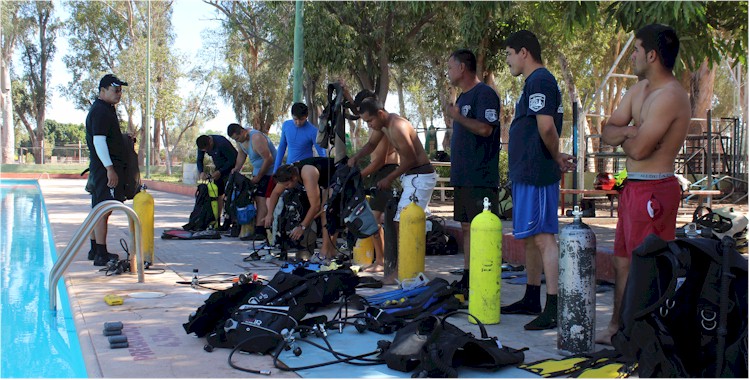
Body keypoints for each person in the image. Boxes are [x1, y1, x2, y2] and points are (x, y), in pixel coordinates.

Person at [595, 24, 689, 345]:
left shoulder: (672, 96)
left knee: (647, 266)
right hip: (632, 187)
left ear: (651, 54)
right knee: (622, 261)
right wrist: (630, 131)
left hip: (656, 188)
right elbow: (608, 131)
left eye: (635, 49)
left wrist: (627, 134)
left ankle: (645, 337)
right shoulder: (638, 91)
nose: (632, 56)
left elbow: (639, 149)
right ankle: (617, 329)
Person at [498, 30, 576, 330]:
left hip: (537, 171)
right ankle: (531, 296)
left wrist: (556, 156)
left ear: (524, 53)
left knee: (544, 238)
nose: (507, 61)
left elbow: (546, 128)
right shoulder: (533, 83)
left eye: (509, 54)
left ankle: (553, 306)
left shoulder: (541, 80)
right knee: (531, 238)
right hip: (526, 171)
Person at [348, 98, 437, 282]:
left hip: (420, 177)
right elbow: (371, 145)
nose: (370, 125)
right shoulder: (383, 126)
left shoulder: (397, 126)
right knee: (398, 222)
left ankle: (403, 270)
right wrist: (357, 156)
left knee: (401, 223)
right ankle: (404, 269)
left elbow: (411, 158)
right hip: (412, 178)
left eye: (370, 121)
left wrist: (389, 177)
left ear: (380, 114)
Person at [444, 49, 502, 293]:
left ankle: (483, 278)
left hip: (480, 176)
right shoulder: (462, 98)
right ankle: (469, 277)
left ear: (462, 68)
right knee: (466, 227)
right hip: (463, 176)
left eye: (450, 67)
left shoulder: (485, 94)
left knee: (480, 228)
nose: (448, 72)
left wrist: (458, 118)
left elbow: (486, 129)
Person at [343, 88, 400, 273]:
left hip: (386, 172)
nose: (366, 122)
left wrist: (359, 175)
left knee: (375, 220)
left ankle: (384, 261)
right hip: (378, 174)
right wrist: (356, 157)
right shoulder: (375, 123)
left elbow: (380, 161)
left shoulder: (383, 124)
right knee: (374, 220)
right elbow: (370, 146)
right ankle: (381, 259)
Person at [85, 74, 130, 266]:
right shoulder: (101, 111)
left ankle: (95, 249)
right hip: (105, 169)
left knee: (101, 208)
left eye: (120, 90)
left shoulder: (105, 109)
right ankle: (101, 254)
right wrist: (110, 169)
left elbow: (107, 138)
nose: (119, 94)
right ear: (102, 91)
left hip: (103, 167)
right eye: (115, 90)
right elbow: (99, 141)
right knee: (103, 209)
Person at [265, 157, 338, 260]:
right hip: (324, 181)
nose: (286, 187)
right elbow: (275, 193)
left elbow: (315, 206)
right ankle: (330, 250)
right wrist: (269, 214)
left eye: (287, 185)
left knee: (326, 212)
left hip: (337, 175)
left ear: (294, 178)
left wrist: (302, 227)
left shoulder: (308, 173)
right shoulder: (288, 173)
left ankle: (326, 251)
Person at [227, 123, 277, 240]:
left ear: (243, 131)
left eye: (238, 138)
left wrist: (259, 176)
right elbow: (241, 155)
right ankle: (257, 227)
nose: (237, 141)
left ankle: (260, 230)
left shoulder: (256, 138)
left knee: (261, 200)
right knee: (255, 198)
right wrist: (236, 169)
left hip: (269, 173)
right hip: (257, 172)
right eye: (235, 139)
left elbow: (269, 159)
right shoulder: (240, 141)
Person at [272, 102, 327, 173]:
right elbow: (282, 148)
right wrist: (275, 170)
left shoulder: (313, 131)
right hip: (289, 168)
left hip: (305, 170)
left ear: (306, 116)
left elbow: (322, 154)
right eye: (295, 119)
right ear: (292, 115)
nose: (298, 122)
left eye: (301, 119)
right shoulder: (286, 125)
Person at [196, 134, 238, 226]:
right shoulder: (202, 144)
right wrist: (201, 172)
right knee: (217, 195)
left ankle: (229, 220)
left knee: (228, 195)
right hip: (218, 169)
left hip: (229, 169)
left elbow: (233, 159)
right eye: (204, 151)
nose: (206, 152)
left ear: (210, 141)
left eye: (207, 149)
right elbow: (199, 160)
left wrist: (221, 171)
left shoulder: (222, 143)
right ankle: (216, 220)